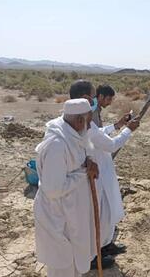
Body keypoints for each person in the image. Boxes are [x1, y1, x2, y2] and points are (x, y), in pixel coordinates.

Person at [69, 80, 140, 267]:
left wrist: (116, 126)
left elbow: (98, 132)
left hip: (99, 172)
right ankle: (92, 256)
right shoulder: (82, 123)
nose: (95, 100)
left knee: (104, 212)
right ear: (86, 98)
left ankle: (103, 246)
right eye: (93, 96)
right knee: (96, 215)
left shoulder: (80, 120)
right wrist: (127, 130)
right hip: (91, 178)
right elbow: (111, 145)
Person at [34, 99, 99, 277]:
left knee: (75, 266)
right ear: (79, 121)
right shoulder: (57, 144)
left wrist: (90, 161)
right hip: (59, 220)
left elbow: (85, 149)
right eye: (88, 119)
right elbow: (53, 190)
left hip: (73, 216)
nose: (90, 124)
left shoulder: (73, 133)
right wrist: (84, 172)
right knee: (62, 268)